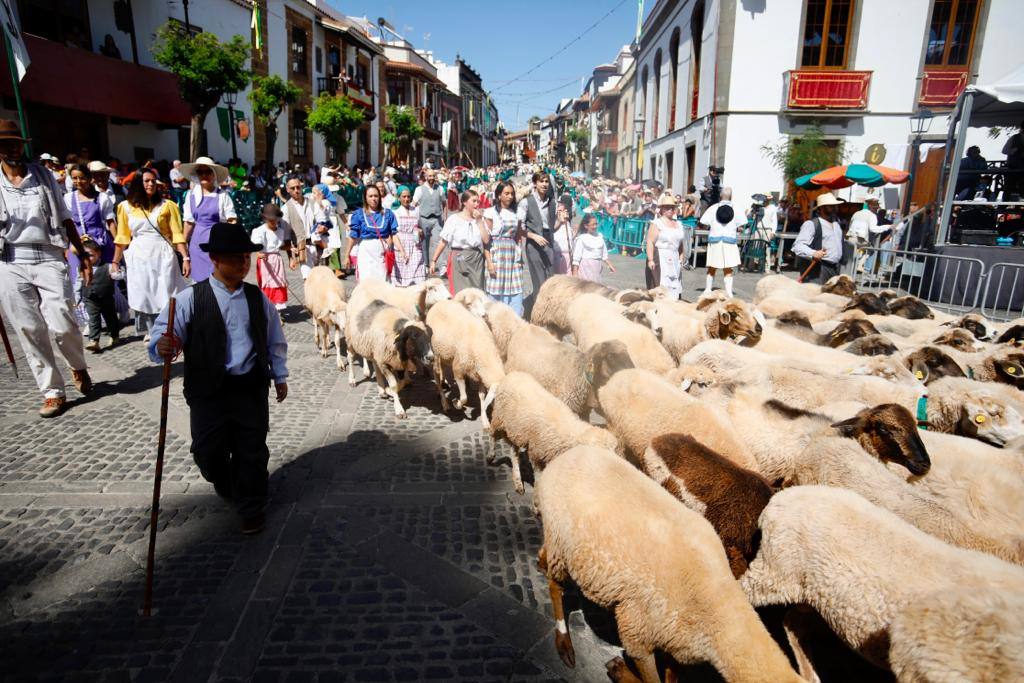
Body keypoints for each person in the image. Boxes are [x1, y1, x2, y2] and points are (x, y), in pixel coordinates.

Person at [150, 222, 288, 535]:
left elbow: (275, 339)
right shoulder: (190, 299)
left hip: (249, 387)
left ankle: (251, 505)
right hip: (207, 391)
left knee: (252, 450)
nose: (243, 264)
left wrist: (279, 374)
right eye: (235, 258)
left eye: (246, 257)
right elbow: (163, 333)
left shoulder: (257, 299)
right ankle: (231, 484)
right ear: (215, 259)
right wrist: (163, 344)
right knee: (207, 453)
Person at [0, 119, 94, 417]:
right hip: (10, 258)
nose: (13, 148)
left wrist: (81, 252)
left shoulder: (43, 176)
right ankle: (52, 391)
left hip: (50, 253)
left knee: (63, 320)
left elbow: (65, 217)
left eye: (16, 142)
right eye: (6, 144)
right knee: (29, 328)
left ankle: (78, 365)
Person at [112, 168, 189, 341]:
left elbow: (177, 234)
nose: (151, 184)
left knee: (167, 291)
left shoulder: (168, 206)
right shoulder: (125, 207)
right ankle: (151, 330)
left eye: (153, 181)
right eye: (146, 181)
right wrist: (115, 261)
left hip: (163, 254)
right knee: (145, 292)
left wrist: (185, 257)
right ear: (138, 183)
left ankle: (169, 329)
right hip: (139, 255)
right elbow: (123, 237)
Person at [181, 156, 237, 283]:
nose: (204, 175)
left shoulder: (223, 195)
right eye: (200, 172)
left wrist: (229, 245)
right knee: (199, 284)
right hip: (197, 246)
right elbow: (188, 223)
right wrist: (183, 250)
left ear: (214, 174)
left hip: (217, 245)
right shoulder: (191, 195)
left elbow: (232, 221)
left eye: (208, 172)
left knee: (218, 282)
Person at [64, 163, 116, 283]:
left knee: (102, 280)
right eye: (75, 178)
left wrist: (118, 245)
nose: (79, 181)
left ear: (89, 178)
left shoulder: (102, 198)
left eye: (82, 178)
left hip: (99, 243)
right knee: (77, 278)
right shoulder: (68, 198)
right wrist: (66, 247)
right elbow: (68, 225)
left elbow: (111, 222)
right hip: (77, 244)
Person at [430, 189, 489, 294]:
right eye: (474, 201)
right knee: (460, 292)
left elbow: (486, 240)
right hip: (459, 257)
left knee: (477, 292)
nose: (477, 204)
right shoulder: (454, 219)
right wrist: (434, 260)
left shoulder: (480, 219)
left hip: (476, 258)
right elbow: (443, 241)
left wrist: (479, 221)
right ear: (465, 202)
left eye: (478, 202)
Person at [344, 184, 406, 283]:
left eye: (376, 196)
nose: (374, 199)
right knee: (366, 283)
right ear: (365, 198)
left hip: (382, 252)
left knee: (382, 281)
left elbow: (393, 234)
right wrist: (347, 255)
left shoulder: (388, 213)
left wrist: (402, 251)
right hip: (366, 252)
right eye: (370, 196)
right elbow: (353, 236)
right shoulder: (359, 214)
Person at [517, 172, 556, 316]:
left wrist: (561, 221)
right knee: (539, 281)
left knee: (549, 281)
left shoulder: (552, 202)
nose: (545, 184)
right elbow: (518, 228)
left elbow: (552, 226)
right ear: (535, 183)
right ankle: (536, 315)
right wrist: (533, 236)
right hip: (533, 244)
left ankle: (530, 309)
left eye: (546, 181)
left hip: (549, 242)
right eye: (541, 181)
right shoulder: (526, 202)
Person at [483, 181, 525, 314]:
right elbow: (486, 240)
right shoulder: (491, 212)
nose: (510, 196)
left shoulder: (517, 212)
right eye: (506, 193)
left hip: (512, 255)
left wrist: (519, 256)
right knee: (495, 288)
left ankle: (513, 319)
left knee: (514, 287)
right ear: (499, 195)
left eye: (512, 194)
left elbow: (518, 236)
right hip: (497, 253)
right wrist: (489, 262)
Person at [699, 187, 744, 298]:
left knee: (712, 266)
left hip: (715, 239)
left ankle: (708, 289)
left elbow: (703, 221)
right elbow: (742, 222)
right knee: (728, 268)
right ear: (731, 196)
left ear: (720, 196)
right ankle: (728, 292)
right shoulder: (737, 208)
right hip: (729, 240)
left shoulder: (713, 208)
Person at [793, 192, 845, 285]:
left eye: (835, 206)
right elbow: (798, 246)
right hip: (818, 269)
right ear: (821, 208)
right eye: (831, 206)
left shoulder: (837, 224)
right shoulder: (811, 224)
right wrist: (813, 253)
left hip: (834, 268)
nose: (834, 208)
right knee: (815, 296)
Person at [250, 204, 295, 310]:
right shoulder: (260, 231)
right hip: (265, 260)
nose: (273, 221)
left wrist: (290, 248)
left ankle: (278, 310)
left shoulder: (280, 231)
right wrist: (258, 254)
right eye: (270, 219)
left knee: (278, 282)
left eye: (275, 219)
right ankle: (269, 308)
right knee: (268, 283)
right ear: (265, 218)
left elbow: (280, 247)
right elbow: (256, 247)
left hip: (277, 260)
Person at [80, 240, 121, 352]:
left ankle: (114, 336)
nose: (88, 258)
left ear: (99, 254)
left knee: (110, 318)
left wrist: (117, 273)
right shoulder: (82, 268)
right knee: (93, 319)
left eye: (91, 255)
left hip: (106, 297)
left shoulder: (107, 266)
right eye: (85, 255)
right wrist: (78, 297)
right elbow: (79, 282)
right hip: (90, 298)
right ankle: (94, 340)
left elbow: (118, 276)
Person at [646, 194, 689, 298]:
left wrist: (681, 256)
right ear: (662, 209)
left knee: (674, 282)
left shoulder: (678, 224)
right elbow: (650, 242)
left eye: (672, 207)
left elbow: (680, 242)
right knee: (660, 284)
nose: (670, 209)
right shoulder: (657, 223)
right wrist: (651, 259)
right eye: (667, 207)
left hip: (674, 256)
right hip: (660, 256)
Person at [283, 175, 316, 279]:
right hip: (302, 248)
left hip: (319, 245)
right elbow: (286, 236)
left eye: (298, 187)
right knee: (308, 280)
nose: (296, 190)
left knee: (322, 280)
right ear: (288, 190)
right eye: (292, 188)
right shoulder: (286, 209)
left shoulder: (312, 202)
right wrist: (290, 258)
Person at [413, 168, 446, 270]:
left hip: (437, 218)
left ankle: (442, 266)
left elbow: (444, 202)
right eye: (429, 176)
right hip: (424, 219)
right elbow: (413, 204)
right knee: (424, 243)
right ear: (426, 177)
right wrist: (415, 220)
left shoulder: (440, 189)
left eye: (433, 176)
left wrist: (444, 216)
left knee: (440, 241)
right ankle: (426, 265)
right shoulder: (419, 189)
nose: (431, 178)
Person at [392, 186, 425, 286]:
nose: (406, 199)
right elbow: (394, 233)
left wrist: (420, 231)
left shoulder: (416, 210)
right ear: (399, 198)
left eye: (408, 196)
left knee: (418, 270)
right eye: (404, 197)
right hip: (401, 244)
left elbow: (420, 226)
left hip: (415, 244)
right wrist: (401, 250)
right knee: (403, 273)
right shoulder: (395, 212)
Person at [572, 213, 615, 283]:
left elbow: (604, 254)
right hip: (586, 267)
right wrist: (575, 273)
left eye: (596, 224)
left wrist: (609, 265)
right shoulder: (582, 238)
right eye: (593, 224)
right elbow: (576, 258)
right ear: (586, 226)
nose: (595, 226)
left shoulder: (599, 237)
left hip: (597, 266)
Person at [551, 204, 576, 275]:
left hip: (569, 254)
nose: (562, 212)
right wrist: (560, 221)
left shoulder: (567, 223)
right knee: (559, 277)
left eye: (563, 210)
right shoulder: (553, 222)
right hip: (558, 255)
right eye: (559, 211)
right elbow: (552, 231)